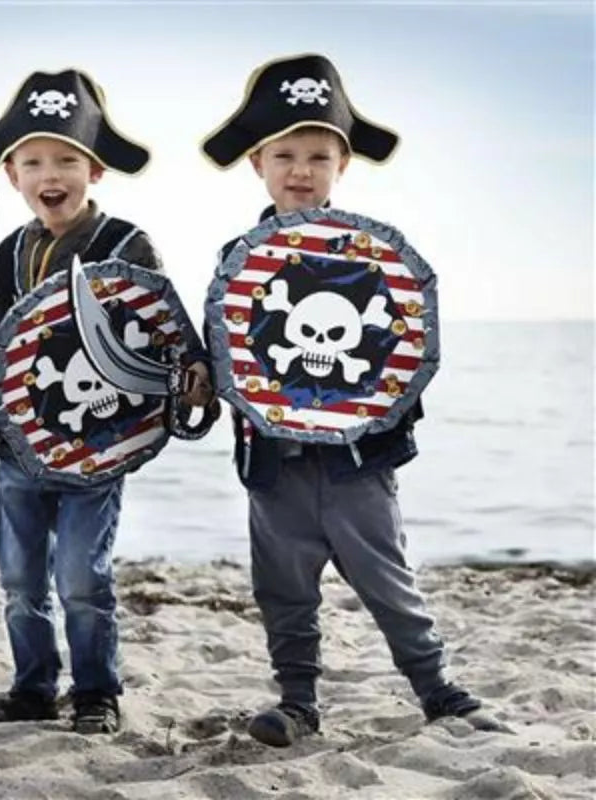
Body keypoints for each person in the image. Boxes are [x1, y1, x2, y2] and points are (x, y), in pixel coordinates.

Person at [200, 53, 504, 747]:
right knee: (283, 591)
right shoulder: (235, 259)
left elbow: (403, 346)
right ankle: (298, 700)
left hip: (358, 462)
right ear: (258, 163)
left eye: (317, 155)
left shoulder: (373, 258)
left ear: (342, 165)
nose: (300, 170)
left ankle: (437, 689)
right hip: (274, 462)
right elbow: (229, 351)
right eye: (285, 154)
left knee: (388, 582)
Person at [0, 67, 210, 733]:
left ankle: (96, 692)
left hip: (99, 445)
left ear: (95, 169)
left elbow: (170, 333)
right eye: (33, 162)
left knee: (82, 577)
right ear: (14, 174)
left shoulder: (126, 244)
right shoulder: (10, 251)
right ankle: (33, 687)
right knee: (21, 579)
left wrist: (192, 375)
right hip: (19, 447)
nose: (51, 174)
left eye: (67, 160)